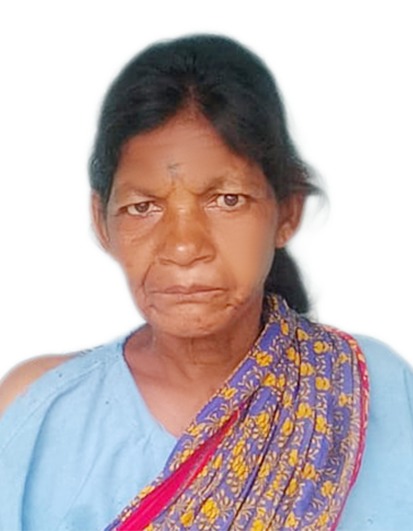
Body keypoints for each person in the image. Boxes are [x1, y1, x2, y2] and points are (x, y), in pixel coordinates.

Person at [0, 34, 412, 531]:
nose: (183, 246)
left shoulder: (374, 387)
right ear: (102, 223)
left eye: (227, 200)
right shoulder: (37, 413)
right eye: (142, 207)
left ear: (287, 211)